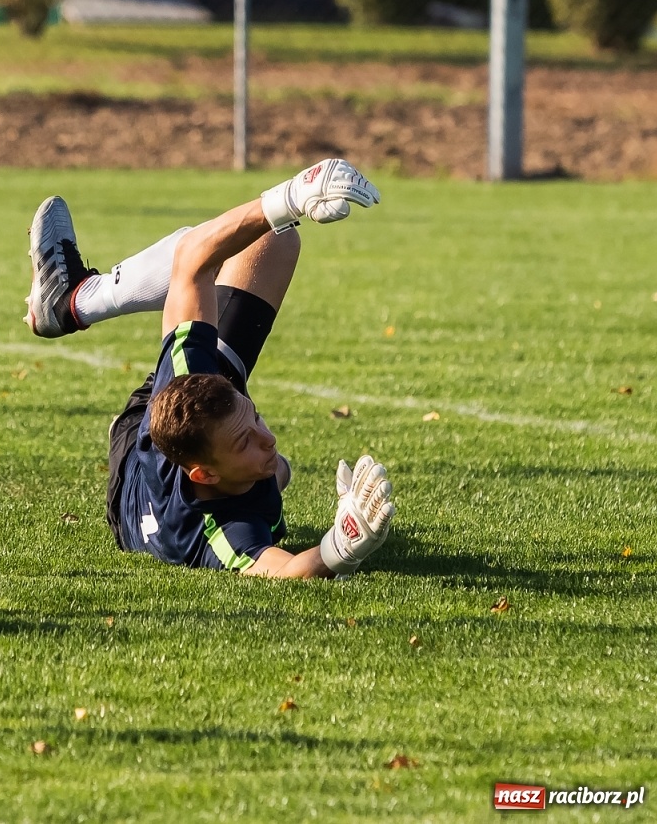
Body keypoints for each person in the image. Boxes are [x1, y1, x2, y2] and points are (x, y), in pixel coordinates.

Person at [24, 159, 396, 578]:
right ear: (205, 474)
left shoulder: (187, 379)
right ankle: (73, 304)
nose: (267, 436)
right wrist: (341, 545)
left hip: (145, 437)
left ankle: (73, 301)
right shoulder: (218, 528)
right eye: (246, 438)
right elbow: (287, 569)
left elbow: (192, 258)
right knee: (278, 471)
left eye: (252, 418)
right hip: (156, 466)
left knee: (253, 242)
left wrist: (290, 196)